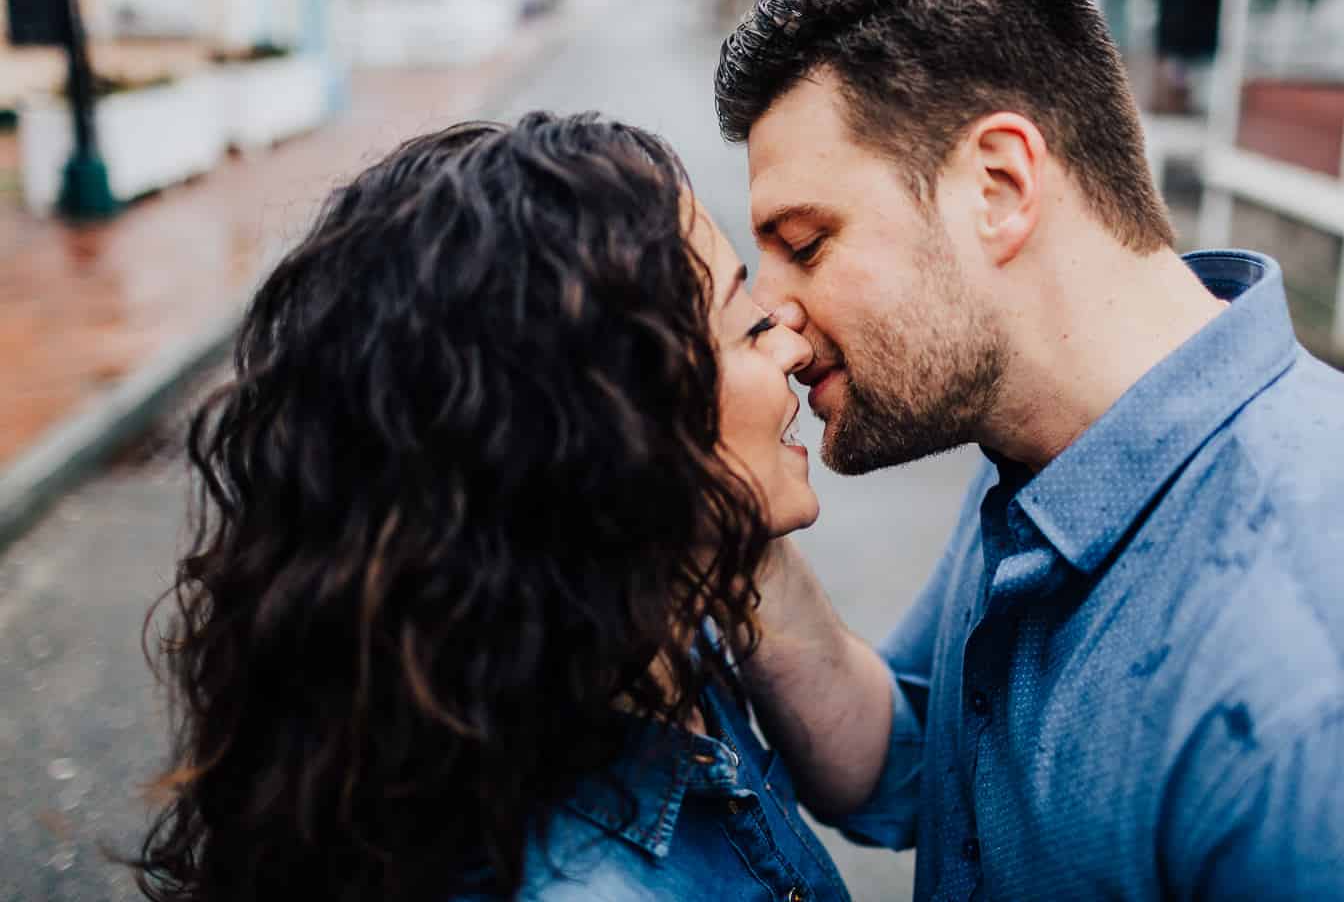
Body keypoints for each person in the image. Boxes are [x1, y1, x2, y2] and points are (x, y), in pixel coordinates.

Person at [713, 0, 1344, 900]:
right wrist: (736, 538)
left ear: (998, 187)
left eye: (806, 240)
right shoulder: (1047, 448)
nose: (775, 317)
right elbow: (909, 762)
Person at [131, 113, 851, 902]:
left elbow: (890, 761)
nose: (791, 343)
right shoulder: (580, 882)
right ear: (610, 436)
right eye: (745, 324)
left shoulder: (635, 635)